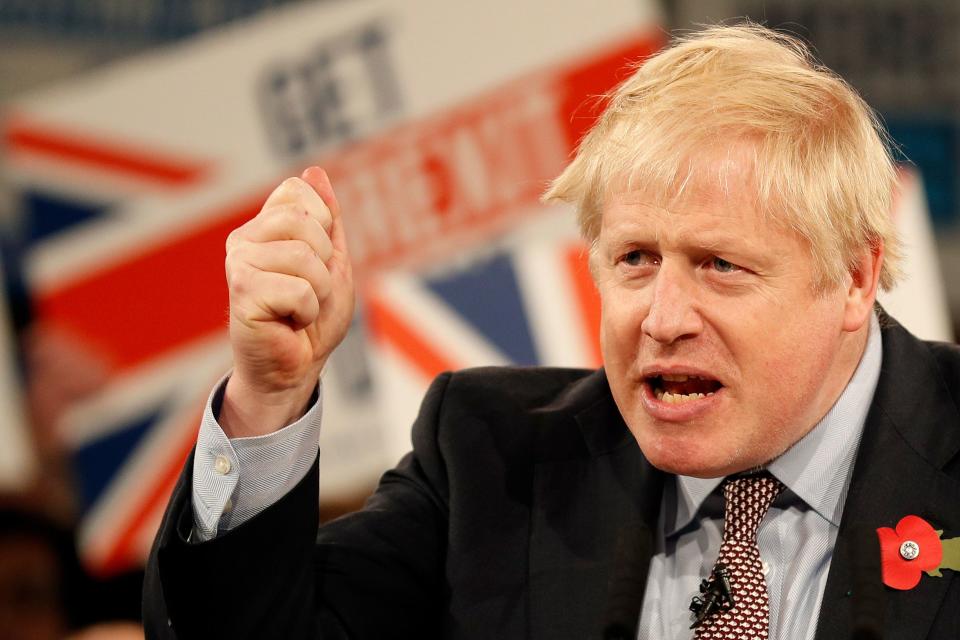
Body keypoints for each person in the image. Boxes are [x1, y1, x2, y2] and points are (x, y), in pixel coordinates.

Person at [143, 23, 960, 639]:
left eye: (720, 265)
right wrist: (269, 395)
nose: (663, 319)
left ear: (853, 276)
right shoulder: (492, 464)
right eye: (635, 259)